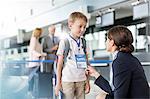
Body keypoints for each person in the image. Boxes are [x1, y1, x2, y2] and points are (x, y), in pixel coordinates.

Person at [87, 25, 149, 99]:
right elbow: (115, 89)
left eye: (106, 40)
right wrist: (95, 74)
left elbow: (119, 96)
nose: (105, 42)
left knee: (100, 97)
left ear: (112, 42)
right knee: (101, 96)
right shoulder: (125, 57)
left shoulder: (121, 61)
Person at [55, 12, 90, 99]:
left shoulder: (84, 42)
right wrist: (58, 83)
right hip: (67, 80)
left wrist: (87, 81)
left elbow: (87, 63)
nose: (82, 29)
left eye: (84, 27)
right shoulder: (64, 42)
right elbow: (59, 64)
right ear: (70, 25)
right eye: (80, 26)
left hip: (81, 79)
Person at [41, 25, 59, 98]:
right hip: (48, 61)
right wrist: (52, 49)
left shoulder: (57, 38)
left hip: (57, 60)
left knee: (57, 76)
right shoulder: (45, 39)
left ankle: (57, 93)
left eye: (54, 29)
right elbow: (43, 50)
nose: (53, 31)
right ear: (49, 30)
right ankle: (49, 95)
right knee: (49, 78)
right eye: (52, 30)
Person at [28, 28, 47, 95]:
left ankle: (35, 94)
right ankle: (30, 94)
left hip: (37, 63)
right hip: (33, 63)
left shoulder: (37, 40)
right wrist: (39, 55)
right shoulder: (33, 39)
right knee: (32, 80)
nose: (40, 34)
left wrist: (44, 54)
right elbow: (32, 51)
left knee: (36, 80)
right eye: (39, 32)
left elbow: (40, 51)